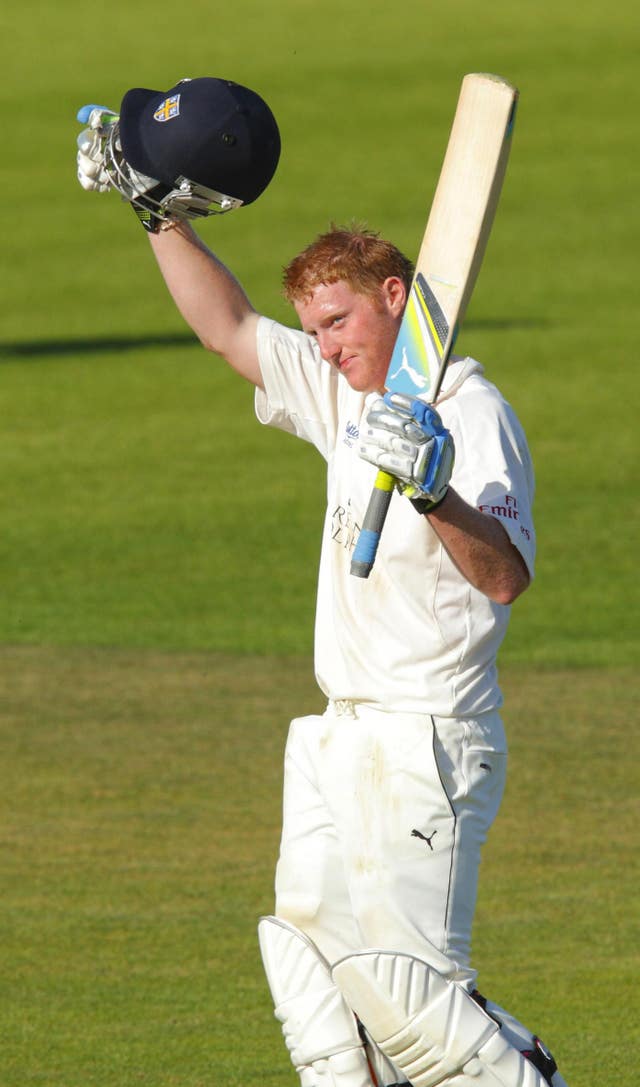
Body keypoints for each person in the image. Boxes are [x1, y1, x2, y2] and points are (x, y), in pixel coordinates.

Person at [76, 78, 569, 1087]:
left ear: (396, 296)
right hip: (341, 730)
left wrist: (432, 487)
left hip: (427, 734)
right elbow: (228, 330)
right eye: (317, 325)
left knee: (412, 1001)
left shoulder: (463, 409)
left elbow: (505, 577)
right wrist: (150, 213)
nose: (328, 343)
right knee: (308, 971)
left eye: (340, 319)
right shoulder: (345, 394)